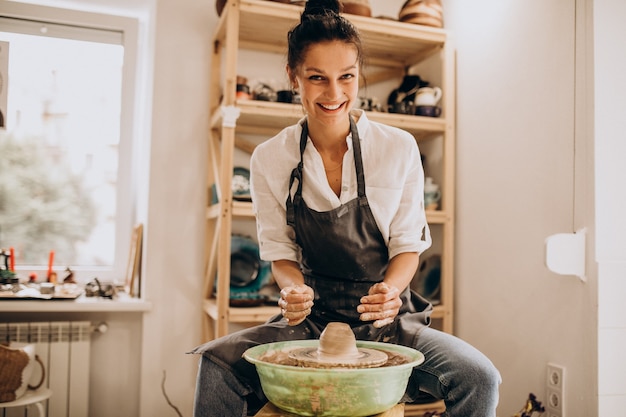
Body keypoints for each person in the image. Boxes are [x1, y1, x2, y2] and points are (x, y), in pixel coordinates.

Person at [191, 0, 501, 416]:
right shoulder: (271, 158)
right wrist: (291, 290)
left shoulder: (397, 148)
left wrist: (391, 291)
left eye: (347, 77)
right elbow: (280, 254)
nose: (334, 94)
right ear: (293, 77)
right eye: (317, 78)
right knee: (217, 366)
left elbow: (408, 245)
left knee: (480, 377)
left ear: (359, 76)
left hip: (387, 322)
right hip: (310, 321)